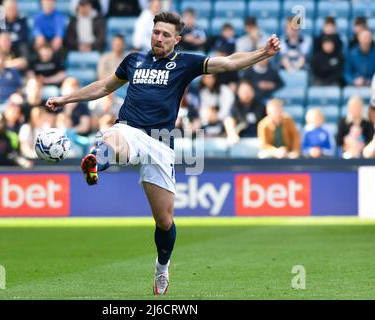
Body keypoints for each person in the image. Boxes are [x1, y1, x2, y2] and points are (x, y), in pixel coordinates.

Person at [45, 11, 281, 295]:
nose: (159, 37)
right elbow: (105, 86)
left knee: (164, 220)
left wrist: (263, 53)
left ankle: (162, 268)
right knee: (112, 139)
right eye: (156, 32)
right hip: (129, 129)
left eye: (166, 35)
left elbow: (229, 62)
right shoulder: (134, 60)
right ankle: (96, 161)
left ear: (177, 40)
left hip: (160, 141)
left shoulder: (185, 62)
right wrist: (66, 98)